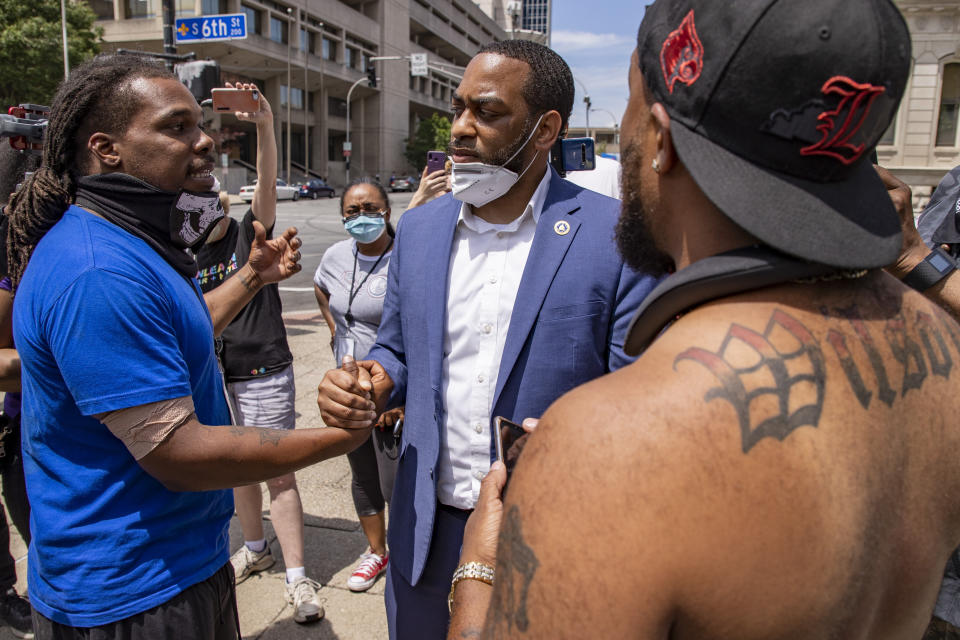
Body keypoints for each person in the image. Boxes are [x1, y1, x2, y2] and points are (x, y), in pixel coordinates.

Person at [445, 1, 960, 638]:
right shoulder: (942, 348)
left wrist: (479, 569)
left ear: (660, 138)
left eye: (631, 102)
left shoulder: (607, 440)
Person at [5, 54, 374, 638]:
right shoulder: (98, 272)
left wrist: (252, 276)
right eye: (176, 127)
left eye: (198, 124)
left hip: (177, 570)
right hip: (131, 594)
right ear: (107, 149)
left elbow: (178, 329)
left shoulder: (125, 241)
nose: (203, 141)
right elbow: (176, 453)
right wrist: (339, 438)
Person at [316, 40, 660, 639]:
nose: (461, 129)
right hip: (424, 527)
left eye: (488, 112)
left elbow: (639, 395)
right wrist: (372, 380)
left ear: (546, 128)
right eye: (457, 110)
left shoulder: (614, 237)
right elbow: (394, 346)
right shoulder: (419, 230)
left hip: (551, 537)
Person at [192, 84, 322, 623]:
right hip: (212, 375)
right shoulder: (183, 253)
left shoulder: (251, 232)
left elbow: (266, 180)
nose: (208, 213)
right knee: (234, 470)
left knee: (278, 473)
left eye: (214, 202)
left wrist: (265, 124)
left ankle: (298, 578)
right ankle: (253, 547)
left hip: (262, 368)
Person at [313, 177, 404, 592]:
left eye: (370, 209)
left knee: (395, 481)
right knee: (362, 474)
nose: (362, 217)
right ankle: (376, 551)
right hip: (349, 390)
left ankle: (407, 554)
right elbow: (320, 288)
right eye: (352, 211)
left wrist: (399, 396)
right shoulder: (334, 256)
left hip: (388, 395)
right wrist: (335, 331)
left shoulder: (402, 257)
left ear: (387, 211)